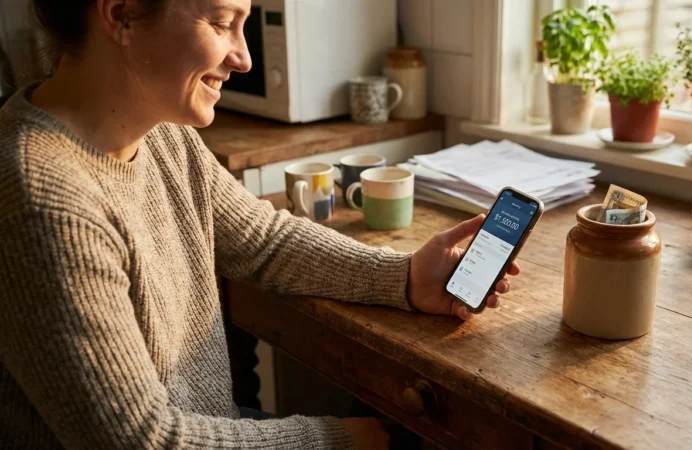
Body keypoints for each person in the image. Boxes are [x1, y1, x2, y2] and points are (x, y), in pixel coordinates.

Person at [0, 0, 521, 448]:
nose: (244, 57)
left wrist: (403, 276)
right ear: (123, 15)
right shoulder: (43, 198)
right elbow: (141, 441)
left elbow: (263, 239)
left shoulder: (158, 134)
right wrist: (333, 441)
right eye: (222, 22)